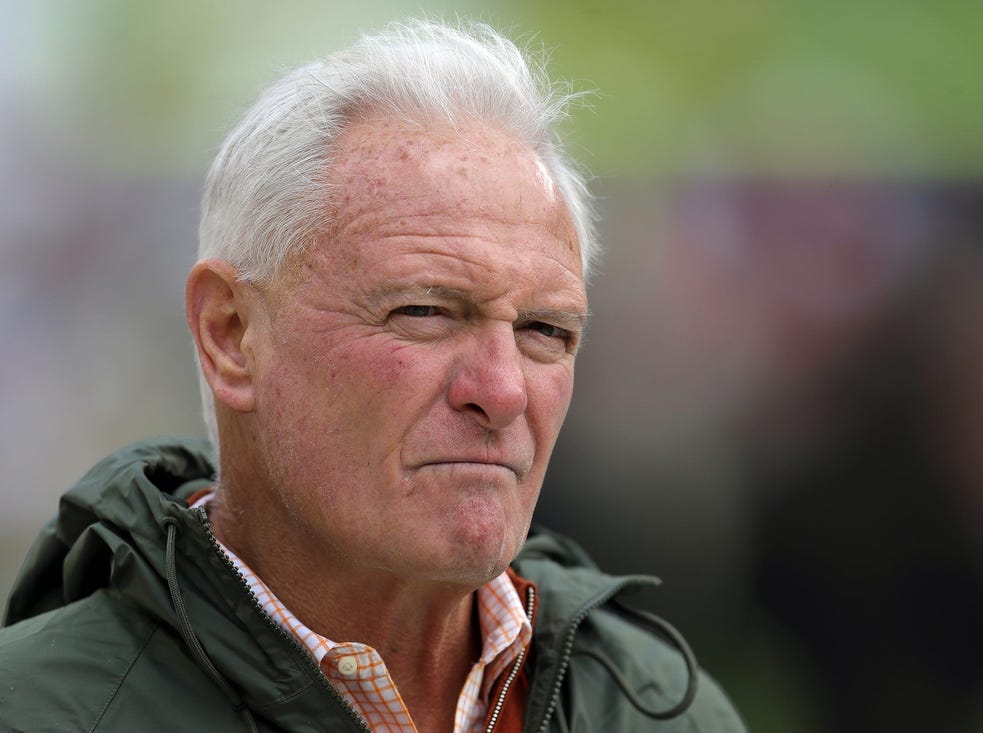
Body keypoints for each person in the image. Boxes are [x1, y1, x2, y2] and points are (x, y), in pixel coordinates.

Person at [0, 19, 743, 733]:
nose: (505, 388)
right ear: (230, 334)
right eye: (424, 312)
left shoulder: (659, 708)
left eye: (546, 330)